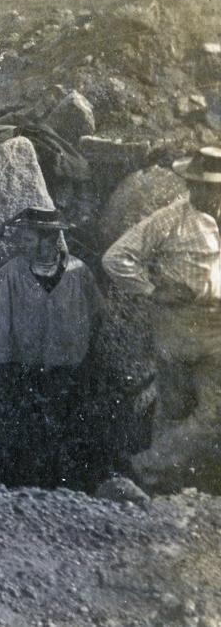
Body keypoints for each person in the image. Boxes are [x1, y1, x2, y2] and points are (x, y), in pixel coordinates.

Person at [102, 146, 221, 489]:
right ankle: (158, 489)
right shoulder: (170, 219)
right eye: (202, 185)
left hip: (217, 325)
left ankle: (143, 468)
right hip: (179, 323)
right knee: (173, 408)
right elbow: (117, 258)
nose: (209, 193)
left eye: (215, 186)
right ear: (191, 183)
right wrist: (153, 290)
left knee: (213, 412)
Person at [0, 207, 103, 482]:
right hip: (23, 368)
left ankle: (61, 483)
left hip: (67, 369)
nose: (22, 244)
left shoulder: (78, 273)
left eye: (29, 239)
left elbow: (96, 311)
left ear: (50, 240)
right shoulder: (10, 273)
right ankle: (26, 481)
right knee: (27, 429)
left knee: (64, 427)